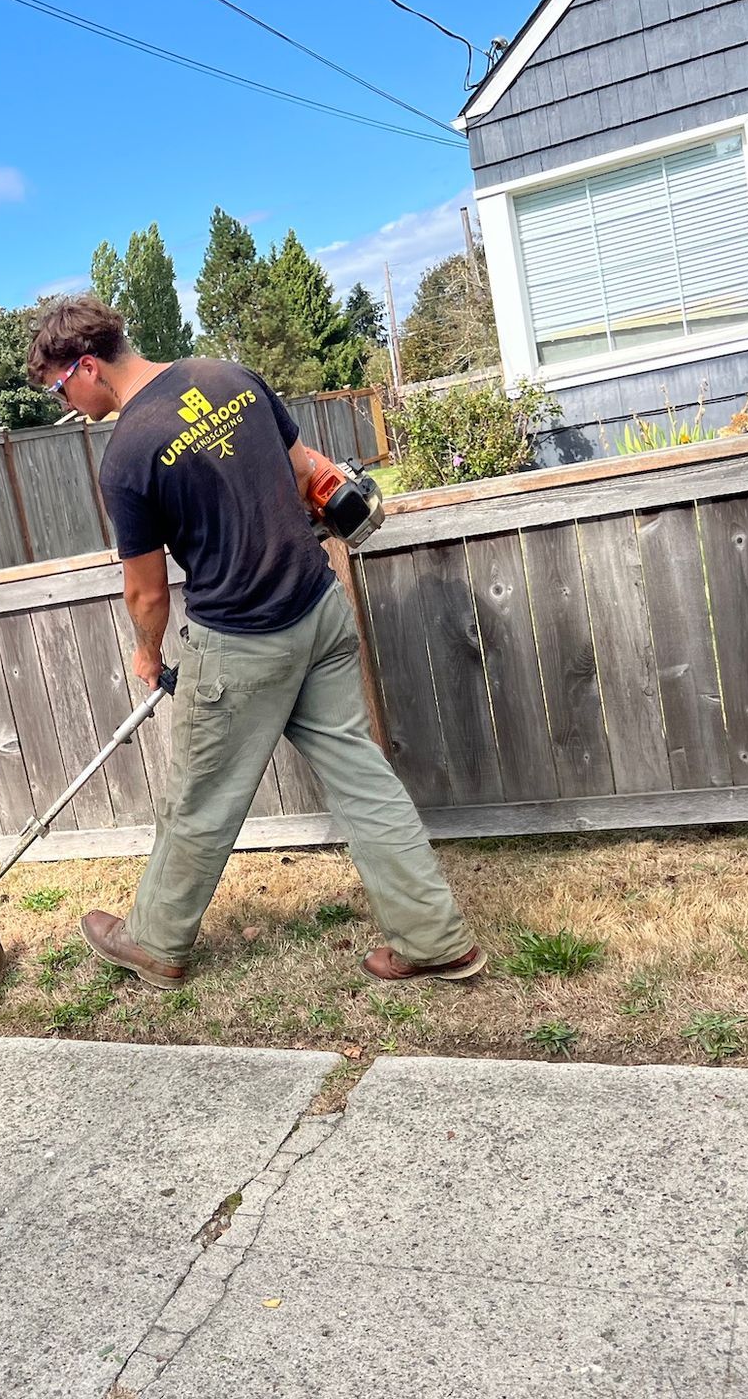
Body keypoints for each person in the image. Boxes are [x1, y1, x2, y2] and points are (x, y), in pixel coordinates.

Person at [25, 295, 483, 988]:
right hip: (317, 606)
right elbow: (308, 472)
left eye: (63, 391)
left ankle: (155, 942)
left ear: (86, 366)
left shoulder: (128, 455)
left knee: (199, 800)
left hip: (241, 640)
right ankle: (434, 938)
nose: (70, 406)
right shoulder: (226, 375)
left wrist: (148, 653)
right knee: (362, 778)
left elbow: (146, 592)